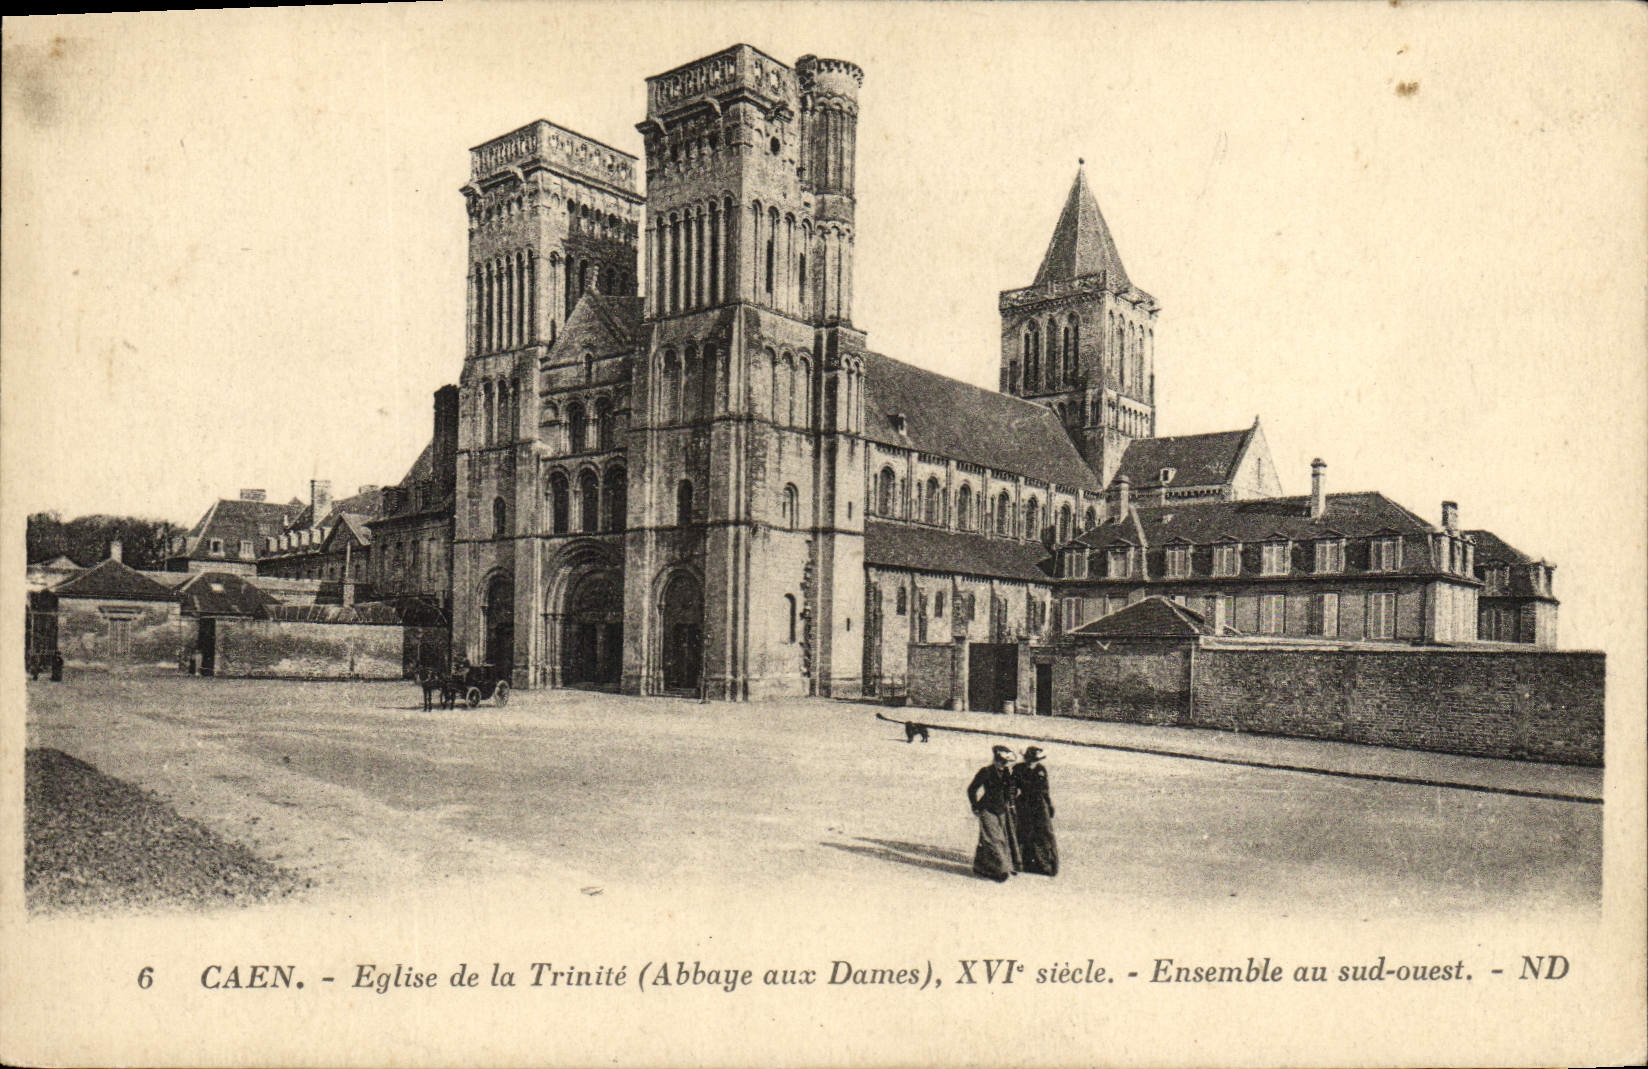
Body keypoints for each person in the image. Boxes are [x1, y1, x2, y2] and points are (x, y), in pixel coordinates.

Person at [966, 745, 1021, 882]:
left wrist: (1012, 804)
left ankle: (982, 866)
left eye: (1006, 762)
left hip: (1002, 810)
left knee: (1001, 838)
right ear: (995, 759)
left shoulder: (1007, 772)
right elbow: (972, 789)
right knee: (994, 840)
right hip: (987, 809)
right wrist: (975, 806)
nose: (1003, 765)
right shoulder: (986, 772)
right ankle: (1000, 870)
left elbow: (1010, 791)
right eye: (1001, 761)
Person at [1013, 746, 1058, 876]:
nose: (1031, 762)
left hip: (1039, 804)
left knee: (1043, 833)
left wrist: (1049, 805)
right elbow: (1013, 788)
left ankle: (1046, 865)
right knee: (1023, 832)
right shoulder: (1018, 769)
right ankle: (1022, 862)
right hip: (1024, 804)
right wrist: (1011, 803)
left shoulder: (1041, 770)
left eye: (1034, 760)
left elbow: (1045, 790)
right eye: (1029, 759)